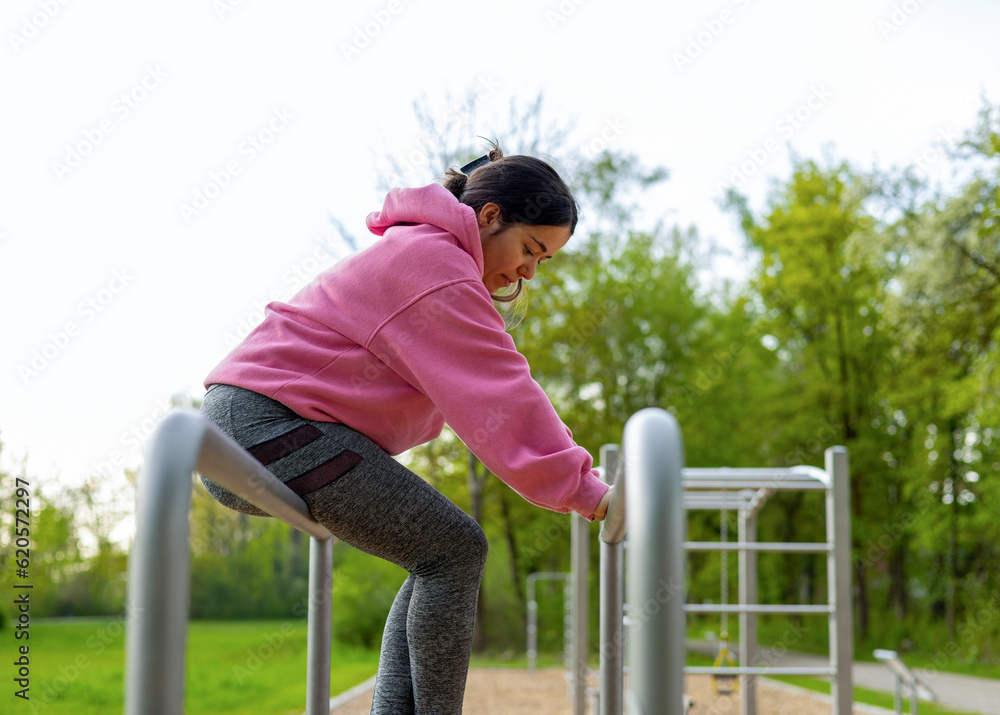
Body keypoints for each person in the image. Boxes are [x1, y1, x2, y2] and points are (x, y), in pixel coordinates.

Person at [198, 142, 613, 713]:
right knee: (454, 549)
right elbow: (503, 392)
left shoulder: (427, 255)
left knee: (439, 554)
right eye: (530, 249)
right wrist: (587, 492)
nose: (528, 270)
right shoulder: (434, 266)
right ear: (489, 217)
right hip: (262, 424)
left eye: (543, 261)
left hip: (261, 423)